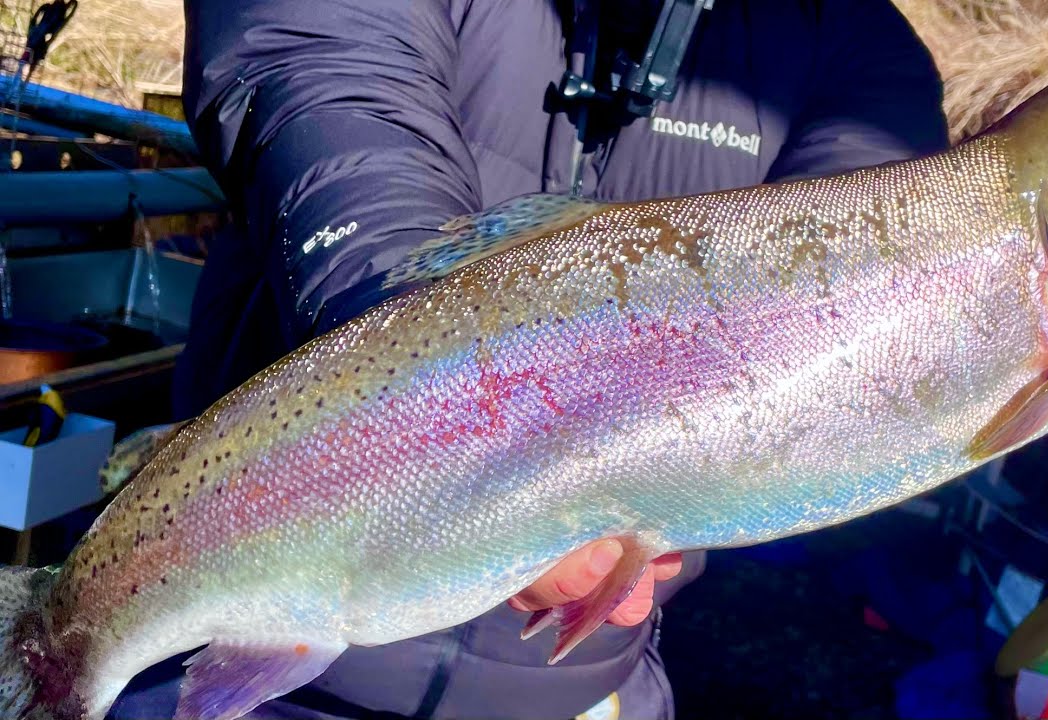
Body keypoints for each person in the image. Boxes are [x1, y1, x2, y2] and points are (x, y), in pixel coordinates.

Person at [108, 1, 949, 718]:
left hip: (584, 684)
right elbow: (325, 74)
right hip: (234, 649)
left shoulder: (863, 53)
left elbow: (861, 288)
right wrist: (441, 409)